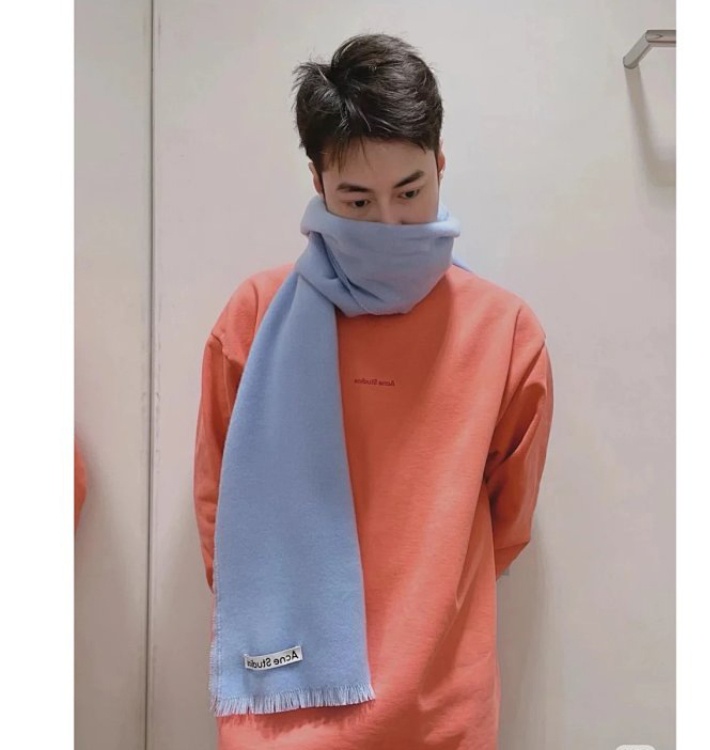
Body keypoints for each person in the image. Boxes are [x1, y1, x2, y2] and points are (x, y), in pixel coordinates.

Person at [193, 32, 554, 750]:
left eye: (409, 192)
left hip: (441, 714)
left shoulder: (505, 331)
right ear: (317, 181)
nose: (389, 223)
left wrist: (429, 610)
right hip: (282, 715)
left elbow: (507, 522)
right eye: (357, 199)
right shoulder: (255, 317)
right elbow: (217, 506)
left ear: (440, 164)